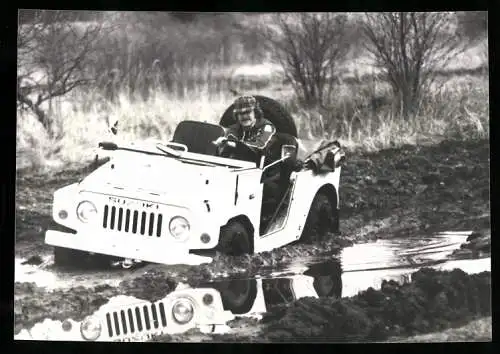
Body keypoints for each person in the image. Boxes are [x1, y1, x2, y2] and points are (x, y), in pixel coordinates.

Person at [213, 95, 277, 164]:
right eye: (240, 113)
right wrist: (222, 145)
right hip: (238, 166)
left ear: (255, 112)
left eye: (248, 112)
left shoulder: (267, 127)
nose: (244, 116)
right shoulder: (233, 129)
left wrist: (235, 145)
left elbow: (260, 146)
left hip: (263, 168)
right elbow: (226, 144)